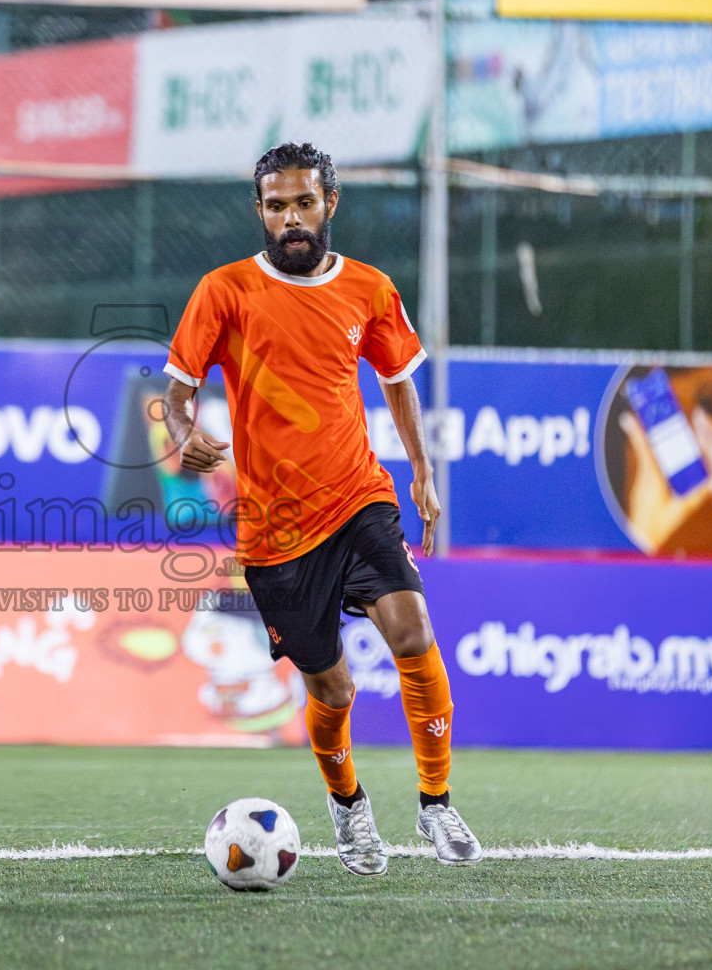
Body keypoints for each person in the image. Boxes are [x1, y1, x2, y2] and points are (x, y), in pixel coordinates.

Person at [160, 142, 482, 874]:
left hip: (359, 498)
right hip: (275, 530)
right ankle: (349, 808)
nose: (292, 219)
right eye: (277, 206)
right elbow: (177, 391)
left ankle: (437, 802)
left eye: (305, 203)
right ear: (261, 212)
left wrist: (423, 475)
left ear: (330, 203)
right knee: (331, 686)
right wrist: (187, 435)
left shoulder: (369, 288)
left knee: (412, 629)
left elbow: (399, 380)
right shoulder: (225, 290)